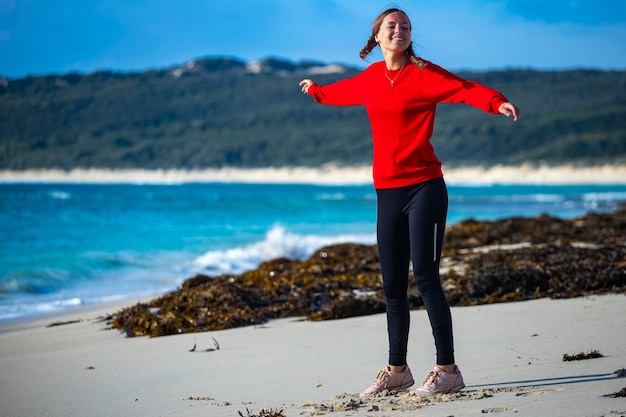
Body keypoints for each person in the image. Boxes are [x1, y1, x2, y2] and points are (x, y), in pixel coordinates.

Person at [299, 7, 520, 398]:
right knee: (392, 286)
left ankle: (447, 369)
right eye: (391, 26)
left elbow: (465, 88)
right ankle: (397, 370)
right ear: (378, 37)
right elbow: (340, 92)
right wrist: (316, 90)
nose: (399, 30)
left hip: (425, 188)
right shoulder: (370, 79)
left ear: (408, 36)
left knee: (427, 279)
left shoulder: (424, 74)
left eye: (405, 26)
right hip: (387, 191)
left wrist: (495, 101)